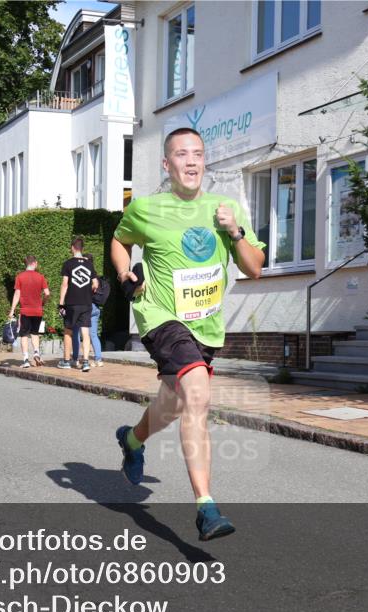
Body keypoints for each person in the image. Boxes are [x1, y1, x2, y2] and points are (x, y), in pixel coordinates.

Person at [111, 127, 266, 541]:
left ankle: (132, 439)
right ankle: (206, 507)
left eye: (198, 154)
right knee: (196, 394)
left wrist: (235, 232)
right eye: (182, 154)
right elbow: (119, 240)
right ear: (167, 164)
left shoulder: (226, 208)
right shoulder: (146, 208)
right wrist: (126, 273)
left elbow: (254, 268)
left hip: (207, 327)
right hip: (160, 317)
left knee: (174, 402)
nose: (192, 161)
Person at [57, 238, 98, 372]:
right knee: (85, 332)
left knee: (68, 331)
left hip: (72, 303)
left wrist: (61, 304)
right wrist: (88, 291)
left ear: (72, 248)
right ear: (82, 248)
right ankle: (85, 361)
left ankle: (67, 361)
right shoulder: (89, 265)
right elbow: (95, 284)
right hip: (86, 303)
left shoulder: (68, 264)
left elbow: (64, 284)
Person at [8, 255, 50, 368]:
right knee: (35, 333)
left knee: (24, 335)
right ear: (34, 263)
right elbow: (47, 293)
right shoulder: (41, 277)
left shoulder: (20, 277)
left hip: (25, 311)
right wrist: (43, 303)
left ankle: (26, 360)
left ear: (26, 264)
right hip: (38, 311)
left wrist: (12, 310)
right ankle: (36, 352)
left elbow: (17, 294)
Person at [71, 254, 108, 367]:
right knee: (93, 334)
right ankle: (98, 359)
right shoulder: (96, 276)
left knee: (76, 333)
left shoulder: (85, 275)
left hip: (84, 306)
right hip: (95, 308)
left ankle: (76, 358)